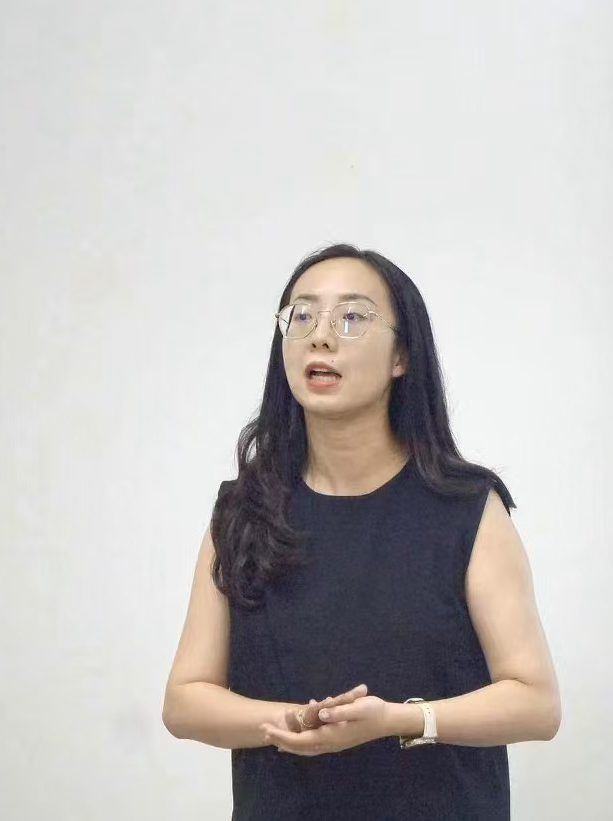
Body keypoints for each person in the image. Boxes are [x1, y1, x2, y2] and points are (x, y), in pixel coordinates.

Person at [161, 243, 560, 819]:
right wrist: (297, 721)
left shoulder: (467, 508)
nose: (321, 337)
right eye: (302, 316)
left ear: (402, 356)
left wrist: (399, 720)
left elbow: (536, 704)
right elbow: (185, 700)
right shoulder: (244, 509)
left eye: (352, 317)